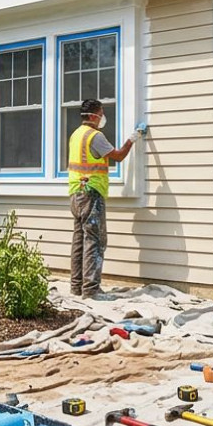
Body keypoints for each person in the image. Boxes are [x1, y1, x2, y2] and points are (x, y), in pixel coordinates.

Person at [67, 99, 141, 298]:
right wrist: (132, 139)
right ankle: (91, 290)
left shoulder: (76, 135)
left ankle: (76, 287)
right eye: (101, 113)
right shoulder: (95, 136)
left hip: (76, 192)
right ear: (92, 116)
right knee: (94, 240)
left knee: (79, 239)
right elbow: (117, 156)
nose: (103, 117)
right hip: (91, 193)